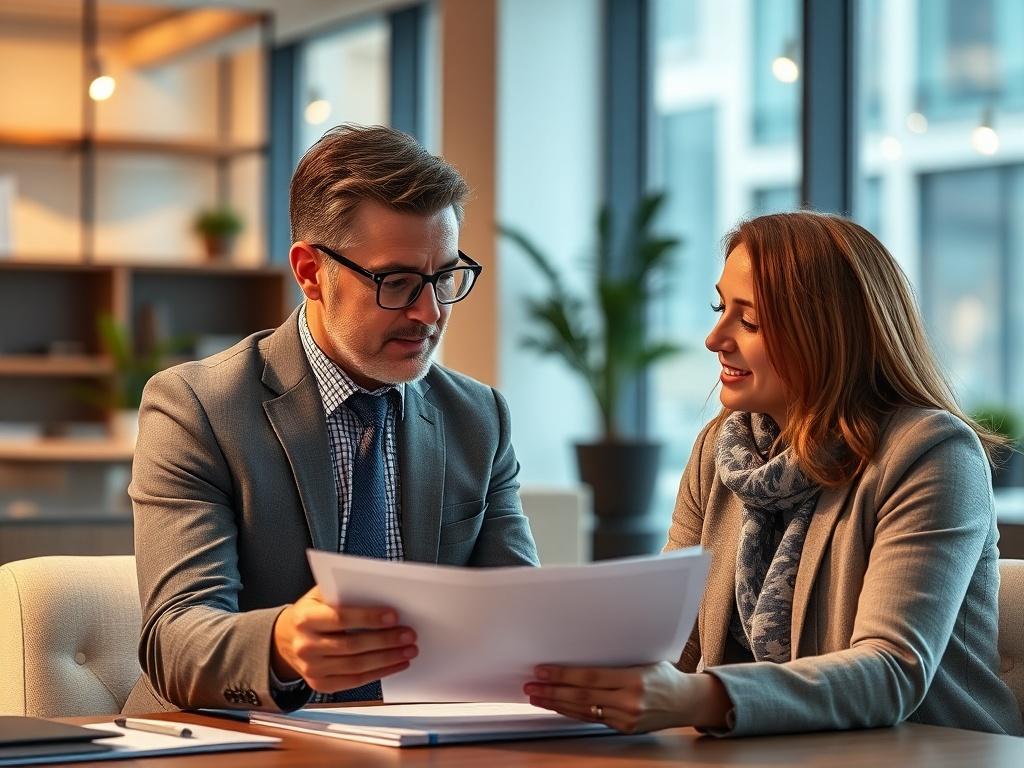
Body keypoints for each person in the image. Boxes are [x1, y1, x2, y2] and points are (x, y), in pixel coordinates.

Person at [524, 211, 1024, 737]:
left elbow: (890, 673)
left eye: (749, 321)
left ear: (826, 334)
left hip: (930, 750)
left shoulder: (931, 454)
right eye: (720, 308)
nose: (714, 338)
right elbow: (671, 637)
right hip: (768, 748)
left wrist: (699, 697)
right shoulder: (721, 450)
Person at [124, 124, 539, 715]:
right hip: (236, 735)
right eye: (397, 282)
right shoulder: (196, 407)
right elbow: (175, 639)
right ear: (310, 272)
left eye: (444, 278)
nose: (429, 312)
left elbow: (516, 614)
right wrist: (280, 645)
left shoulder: (477, 418)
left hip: (417, 737)